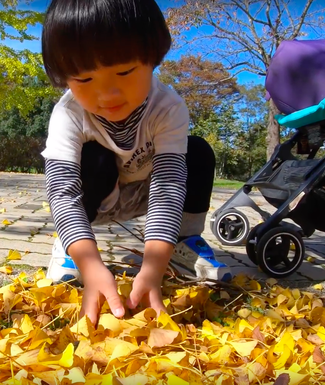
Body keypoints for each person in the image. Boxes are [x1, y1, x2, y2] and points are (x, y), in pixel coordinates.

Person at [40, 0, 232, 325]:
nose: (107, 94)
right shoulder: (68, 114)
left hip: (148, 195)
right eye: (85, 80)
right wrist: (90, 264)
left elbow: (169, 187)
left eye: (125, 71)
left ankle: (183, 244)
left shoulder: (167, 108)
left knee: (197, 151)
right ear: (64, 77)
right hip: (98, 202)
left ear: (152, 58)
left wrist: (154, 267)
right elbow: (62, 191)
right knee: (93, 158)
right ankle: (72, 247)